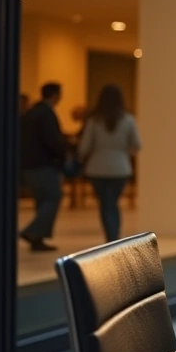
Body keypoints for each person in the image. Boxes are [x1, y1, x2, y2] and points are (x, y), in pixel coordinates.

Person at [77, 84, 142, 242]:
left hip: (97, 168)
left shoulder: (94, 121)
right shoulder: (128, 120)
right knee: (112, 202)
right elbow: (137, 144)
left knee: (106, 203)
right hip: (120, 167)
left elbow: (84, 146)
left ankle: (111, 236)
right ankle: (114, 235)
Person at [19, 82, 66, 252]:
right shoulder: (46, 114)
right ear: (55, 95)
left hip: (28, 165)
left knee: (42, 200)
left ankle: (37, 240)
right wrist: (62, 157)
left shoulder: (31, 113)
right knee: (54, 196)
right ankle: (32, 232)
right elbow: (52, 140)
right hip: (43, 164)